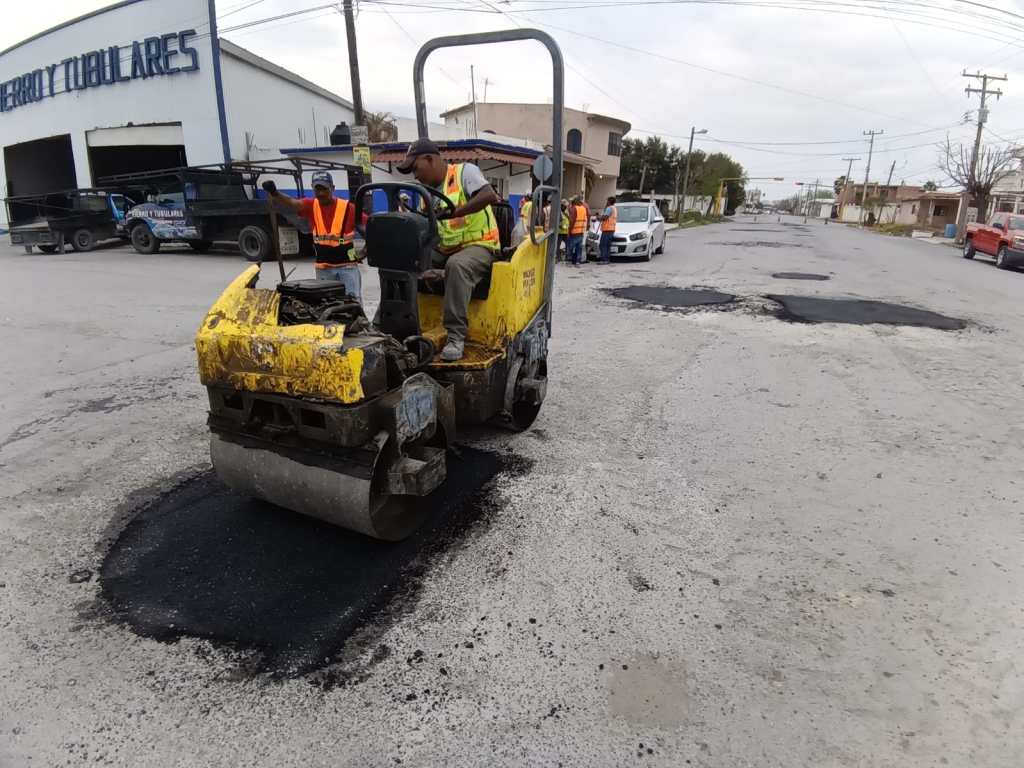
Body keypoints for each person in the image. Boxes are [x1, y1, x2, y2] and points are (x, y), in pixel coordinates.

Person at [397, 138, 500, 362]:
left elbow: (488, 195)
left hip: (480, 246)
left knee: (457, 265)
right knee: (403, 262)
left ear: (429, 159)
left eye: (416, 169)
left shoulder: (464, 172)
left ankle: (455, 336)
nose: (415, 176)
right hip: (445, 249)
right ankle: (391, 325)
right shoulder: (428, 193)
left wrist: (455, 213)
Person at [261, 171, 360, 299]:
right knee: (325, 302)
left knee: (353, 301)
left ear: (333, 188)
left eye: (324, 189)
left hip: (347, 267)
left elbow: (370, 226)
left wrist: (365, 251)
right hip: (324, 268)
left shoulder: (348, 208)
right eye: (317, 189)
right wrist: (275, 193)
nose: (321, 193)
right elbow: (293, 203)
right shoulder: (311, 205)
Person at [567, 194, 588, 266]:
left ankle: (572, 260)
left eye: (572, 201)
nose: (571, 202)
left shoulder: (574, 208)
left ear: (575, 201)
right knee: (579, 247)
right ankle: (578, 261)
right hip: (581, 231)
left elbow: (572, 221)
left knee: (572, 246)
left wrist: (569, 230)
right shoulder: (583, 208)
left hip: (574, 231)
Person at [597, 195, 617, 264]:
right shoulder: (614, 208)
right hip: (611, 229)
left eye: (607, 201)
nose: (606, 202)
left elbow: (605, 217)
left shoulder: (609, 208)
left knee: (603, 245)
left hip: (607, 229)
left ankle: (603, 259)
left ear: (609, 201)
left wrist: (598, 218)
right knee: (608, 245)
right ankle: (607, 259)